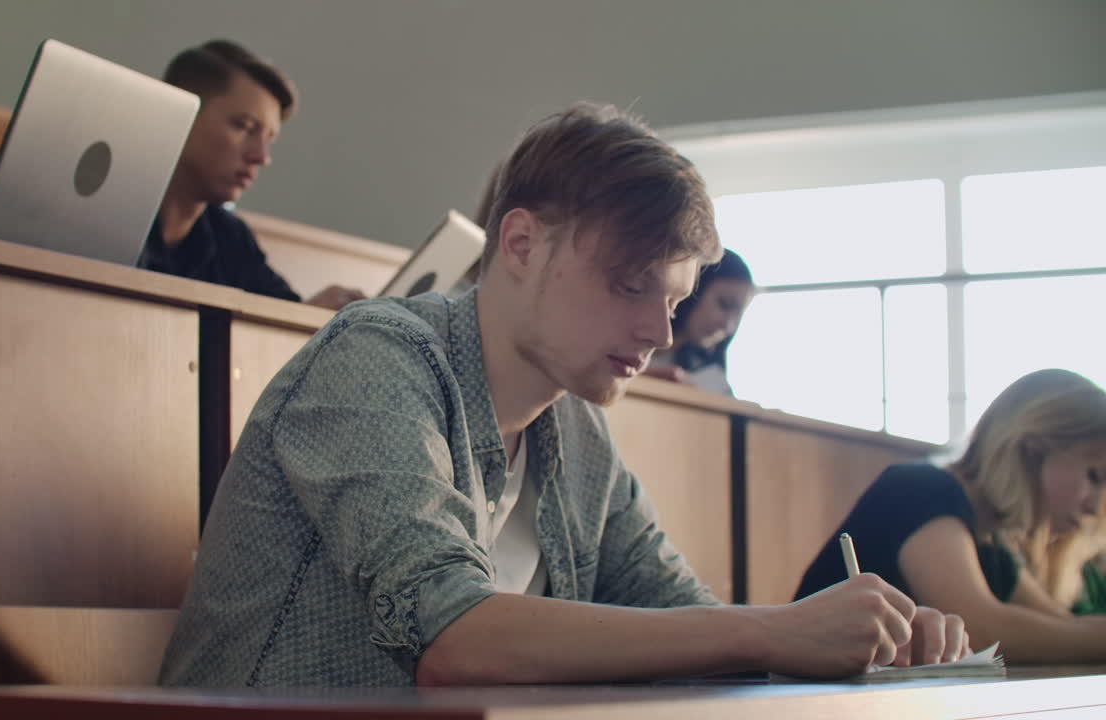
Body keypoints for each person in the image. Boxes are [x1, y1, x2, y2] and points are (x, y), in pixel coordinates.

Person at [159, 103, 967, 688]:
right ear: (519, 243)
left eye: (676, 301)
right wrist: (778, 631)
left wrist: (860, 639)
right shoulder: (375, 357)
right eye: (628, 286)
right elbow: (456, 635)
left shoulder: (575, 427)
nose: (658, 330)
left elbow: (678, 614)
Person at [795, 368, 1106, 662]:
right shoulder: (921, 490)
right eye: (1095, 476)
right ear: (1032, 450)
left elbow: (1063, 627)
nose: (1095, 507)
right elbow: (981, 630)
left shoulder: (991, 542)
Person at [136, 39, 363, 310]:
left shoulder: (231, 237)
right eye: (244, 127)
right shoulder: (110, 215)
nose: (262, 157)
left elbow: (282, 316)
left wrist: (319, 312)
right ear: (181, 115)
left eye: (270, 139)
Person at [642, 249, 754, 395]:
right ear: (693, 289)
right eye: (724, 304)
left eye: (738, 315)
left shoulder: (711, 381)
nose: (728, 325)